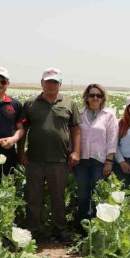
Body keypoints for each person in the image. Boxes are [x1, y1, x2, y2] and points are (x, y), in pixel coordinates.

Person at [17, 67, 81, 244]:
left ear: (60, 84)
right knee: (33, 197)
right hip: (35, 160)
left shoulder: (69, 103)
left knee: (58, 197)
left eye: (55, 82)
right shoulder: (30, 103)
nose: (51, 85)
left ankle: (60, 230)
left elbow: (76, 129)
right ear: (42, 83)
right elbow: (22, 129)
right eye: (48, 81)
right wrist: (21, 152)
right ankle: (33, 230)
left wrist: (76, 151)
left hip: (60, 160)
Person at [75, 84, 118, 224]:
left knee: (98, 194)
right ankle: (82, 224)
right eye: (91, 95)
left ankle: (96, 224)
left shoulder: (109, 115)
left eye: (98, 95)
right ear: (86, 97)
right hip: (81, 161)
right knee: (82, 194)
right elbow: (74, 135)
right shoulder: (79, 114)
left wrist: (109, 161)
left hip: (99, 161)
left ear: (102, 98)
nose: (95, 98)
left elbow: (112, 139)